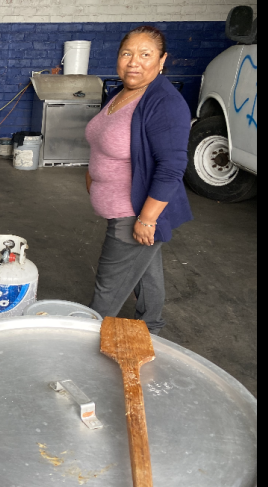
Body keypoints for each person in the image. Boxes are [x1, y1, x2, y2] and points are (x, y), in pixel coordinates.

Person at [85, 26, 193, 334]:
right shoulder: (121, 92)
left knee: (107, 291)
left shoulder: (164, 103)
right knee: (146, 274)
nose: (134, 62)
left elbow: (171, 166)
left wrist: (147, 220)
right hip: (119, 207)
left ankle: (83, 342)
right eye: (127, 53)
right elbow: (103, 140)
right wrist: (92, 174)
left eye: (145, 54)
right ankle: (152, 328)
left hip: (133, 212)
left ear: (161, 60)